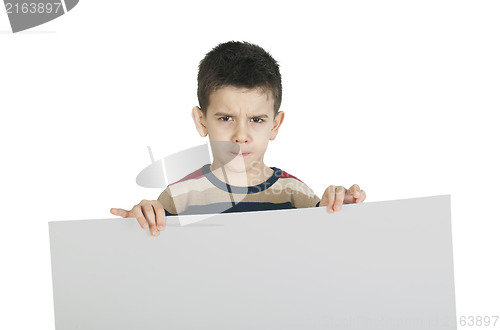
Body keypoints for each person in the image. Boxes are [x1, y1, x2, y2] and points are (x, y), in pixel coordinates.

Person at [110, 41, 366, 236]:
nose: (241, 136)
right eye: (225, 118)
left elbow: (326, 240)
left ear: (275, 125)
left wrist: (341, 207)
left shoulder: (293, 194)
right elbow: (148, 252)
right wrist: (140, 221)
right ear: (202, 122)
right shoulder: (179, 197)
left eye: (256, 120)